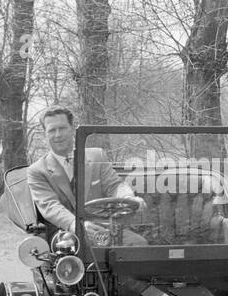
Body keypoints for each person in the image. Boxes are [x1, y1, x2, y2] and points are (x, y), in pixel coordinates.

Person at [27, 106, 148, 247]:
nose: (58, 134)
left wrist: (128, 198)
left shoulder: (97, 155)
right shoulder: (37, 171)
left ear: (72, 129)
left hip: (103, 228)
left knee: (139, 244)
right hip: (65, 232)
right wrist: (77, 225)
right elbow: (50, 206)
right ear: (45, 134)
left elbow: (115, 185)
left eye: (62, 128)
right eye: (52, 130)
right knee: (69, 255)